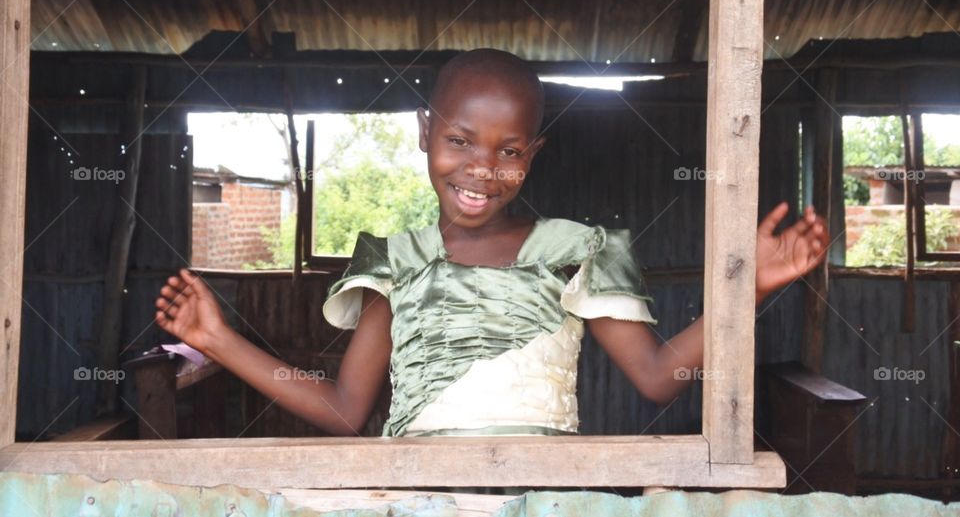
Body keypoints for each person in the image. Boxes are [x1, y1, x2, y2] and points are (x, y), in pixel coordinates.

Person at [155, 48, 829, 438]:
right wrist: (218, 339)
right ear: (425, 132)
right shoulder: (399, 262)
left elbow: (658, 379)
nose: (483, 169)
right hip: (416, 502)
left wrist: (751, 288)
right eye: (459, 141)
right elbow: (344, 407)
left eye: (509, 150)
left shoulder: (574, 250)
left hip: (540, 500)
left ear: (533, 153)